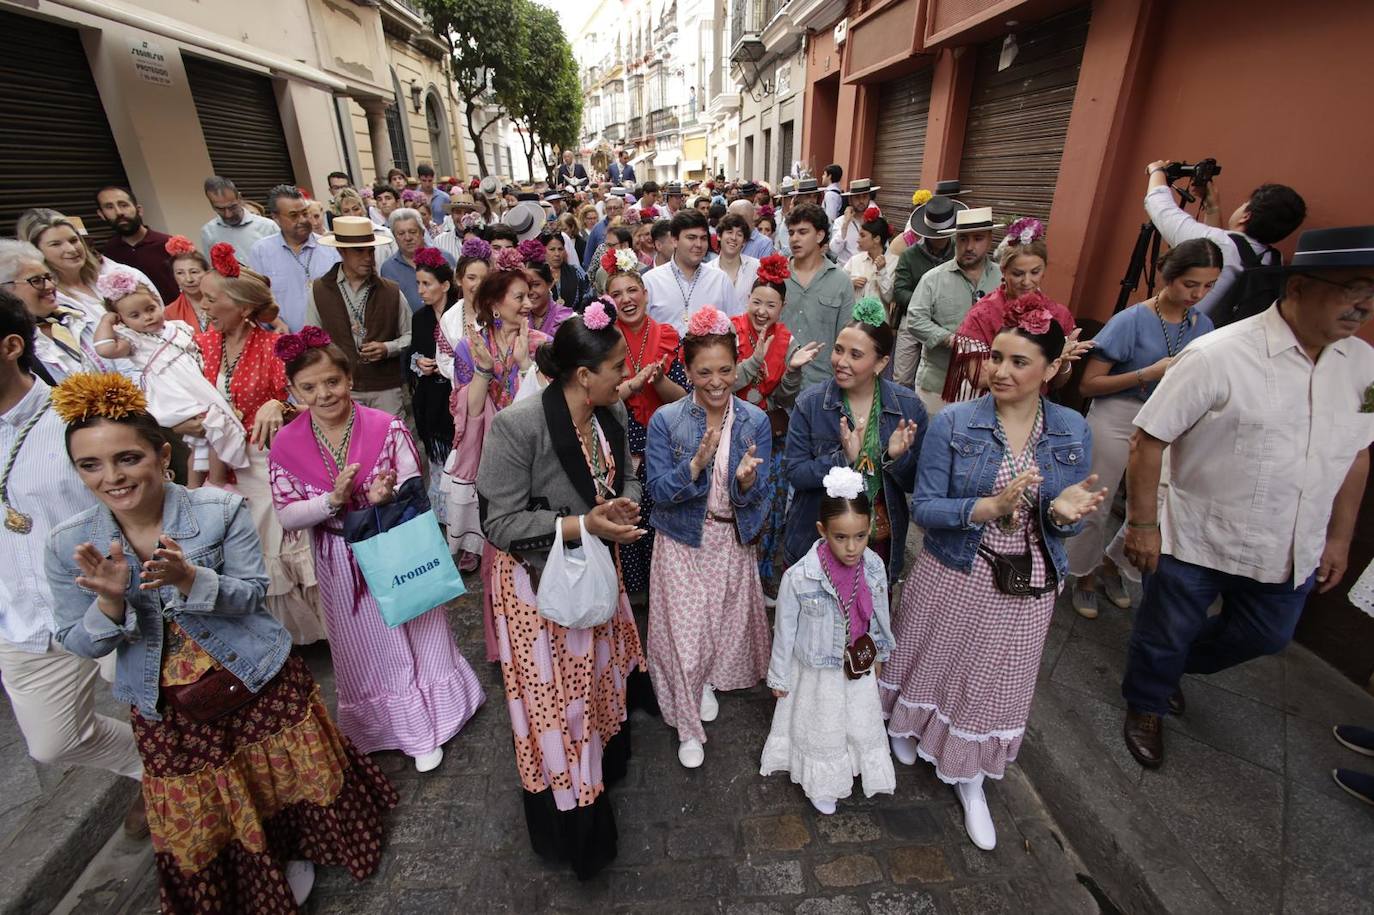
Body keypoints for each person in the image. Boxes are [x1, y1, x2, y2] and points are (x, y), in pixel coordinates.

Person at [46, 372, 396, 911]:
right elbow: (80, 644)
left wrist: (191, 580)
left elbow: (254, 595)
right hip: (168, 706)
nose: (111, 477)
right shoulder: (69, 544)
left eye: (127, 458)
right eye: (90, 465)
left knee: (280, 776)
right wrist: (111, 605)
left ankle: (294, 848)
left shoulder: (218, 510)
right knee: (203, 801)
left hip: (254, 674)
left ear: (162, 455)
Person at [1119, 225, 1374, 770]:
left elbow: (1357, 454)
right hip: (1198, 535)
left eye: (1369, 293)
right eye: (1350, 288)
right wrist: (1143, 525)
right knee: (1166, 630)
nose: (1361, 306)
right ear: (1300, 287)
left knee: (1267, 636)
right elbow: (1149, 438)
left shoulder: (1362, 365)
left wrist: (1339, 537)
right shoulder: (1218, 354)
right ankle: (1146, 701)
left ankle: (1167, 670)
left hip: (1290, 544)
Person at [882, 314, 1104, 851]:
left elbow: (1062, 514)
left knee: (996, 683)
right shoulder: (956, 422)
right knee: (931, 658)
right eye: (995, 357)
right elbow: (928, 507)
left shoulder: (1073, 429)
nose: (999, 371)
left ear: (1052, 368)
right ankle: (906, 727)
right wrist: (990, 506)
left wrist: (1066, 516)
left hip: (1028, 578)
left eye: (1018, 362)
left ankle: (971, 778)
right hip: (958, 564)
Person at [475, 301, 646, 879]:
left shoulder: (609, 415)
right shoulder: (517, 426)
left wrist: (622, 504)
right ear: (582, 376)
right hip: (539, 592)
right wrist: (581, 525)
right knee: (560, 709)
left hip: (595, 576)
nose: (626, 374)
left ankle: (601, 764)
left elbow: (625, 474)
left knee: (596, 684)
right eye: (619, 366)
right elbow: (498, 524)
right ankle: (576, 820)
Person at [269, 331, 485, 770]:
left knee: (418, 627)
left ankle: (431, 724)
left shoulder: (385, 426)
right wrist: (330, 501)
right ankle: (386, 726)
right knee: (367, 645)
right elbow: (287, 514)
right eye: (308, 387)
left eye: (331, 381)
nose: (323, 394)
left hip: (395, 543)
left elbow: (414, 483)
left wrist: (386, 496)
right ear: (293, 390)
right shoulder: (286, 445)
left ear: (349, 378)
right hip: (339, 556)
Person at [0, 296, 145, 836]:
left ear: (12, 346)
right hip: (22, 619)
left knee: (170, 712)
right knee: (52, 740)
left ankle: (185, 781)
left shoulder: (74, 414)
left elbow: (141, 488)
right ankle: (153, 771)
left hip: (107, 600)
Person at [645, 305, 773, 769]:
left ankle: (702, 685)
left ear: (737, 365)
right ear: (687, 368)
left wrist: (744, 484)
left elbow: (762, 495)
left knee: (716, 629)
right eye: (704, 372)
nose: (717, 381)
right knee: (683, 637)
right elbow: (657, 493)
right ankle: (686, 727)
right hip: (681, 541)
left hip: (729, 542)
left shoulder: (756, 421)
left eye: (725, 370)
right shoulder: (666, 420)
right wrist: (695, 465)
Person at [1065, 239, 1221, 619]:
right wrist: (1146, 374)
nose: (1197, 294)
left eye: (1209, 287)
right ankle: (1082, 576)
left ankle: (1114, 564)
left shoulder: (1205, 326)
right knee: (1096, 501)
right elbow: (1089, 386)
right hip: (1118, 413)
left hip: (1171, 420)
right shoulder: (1130, 320)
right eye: (1190, 284)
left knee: (1159, 504)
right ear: (1169, 276)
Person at [195, 252, 326, 645]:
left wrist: (278, 405)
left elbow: (314, 406)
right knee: (247, 547)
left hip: (269, 465)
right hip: (221, 463)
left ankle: (317, 631)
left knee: (282, 542)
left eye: (210, 298)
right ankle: (276, 634)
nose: (203, 306)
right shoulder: (203, 345)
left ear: (243, 305)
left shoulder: (275, 347)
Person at [761, 466, 896, 814]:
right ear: (823, 531)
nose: (852, 548)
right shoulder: (799, 578)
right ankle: (822, 780)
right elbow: (785, 631)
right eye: (841, 537)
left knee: (856, 719)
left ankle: (848, 763)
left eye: (861, 536)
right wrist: (779, 676)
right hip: (817, 669)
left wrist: (879, 652)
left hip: (857, 663)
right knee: (822, 726)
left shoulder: (874, 567)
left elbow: (879, 613)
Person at [784, 303, 923, 583]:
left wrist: (896, 457)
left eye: (855, 355)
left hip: (878, 539)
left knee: (866, 622)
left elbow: (914, 484)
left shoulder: (907, 407)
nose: (841, 361)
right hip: (819, 538)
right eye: (838, 350)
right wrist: (841, 460)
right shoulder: (811, 404)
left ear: (881, 362)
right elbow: (796, 474)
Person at [446, 262, 550, 621]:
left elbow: (550, 406)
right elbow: (470, 409)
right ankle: (508, 631)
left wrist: (525, 366)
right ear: (494, 304)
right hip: (494, 455)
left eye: (530, 295)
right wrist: (484, 369)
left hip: (536, 454)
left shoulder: (540, 344)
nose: (527, 303)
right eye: (519, 296)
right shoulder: (469, 347)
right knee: (502, 538)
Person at [91, 265, 248, 484]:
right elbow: (104, 348)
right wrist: (106, 321)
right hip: (174, 394)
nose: (147, 317)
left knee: (203, 443)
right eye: (135, 315)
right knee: (214, 429)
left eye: (150, 308)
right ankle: (217, 483)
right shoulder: (134, 340)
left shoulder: (178, 327)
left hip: (197, 385)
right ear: (122, 320)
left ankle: (199, 488)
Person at [732, 256, 822, 593]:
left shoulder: (787, 340)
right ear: (748, 301)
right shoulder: (730, 330)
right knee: (732, 501)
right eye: (757, 302)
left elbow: (785, 396)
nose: (762, 311)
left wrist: (794, 369)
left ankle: (763, 573)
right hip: (732, 426)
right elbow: (725, 382)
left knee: (769, 505)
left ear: (782, 307)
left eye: (771, 305)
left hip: (772, 431)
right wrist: (753, 360)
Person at [603, 257, 689, 597]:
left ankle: (661, 589)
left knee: (659, 515)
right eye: (617, 294)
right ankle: (629, 590)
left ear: (645, 293)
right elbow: (599, 399)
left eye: (632, 290)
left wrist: (659, 380)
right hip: (618, 440)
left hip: (661, 440)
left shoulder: (667, 335)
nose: (626, 299)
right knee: (623, 513)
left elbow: (682, 396)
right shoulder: (604, 341)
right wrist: (634, 385)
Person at [942, 219, 1089, 402]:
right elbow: (977, 376)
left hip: (1033, 409)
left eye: (1035, 272)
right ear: (1003, 271)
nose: (1027, 282)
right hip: (987, 407)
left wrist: (1063, 363)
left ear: (1044, 269)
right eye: (1018, 274)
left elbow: (1058, 383)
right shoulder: (982, 314)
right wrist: (1042, 365)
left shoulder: (1059, 315)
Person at [1143, 159, 1306, 321]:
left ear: (1246, 216)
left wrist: (1157, 171)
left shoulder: (1223, 244)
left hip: (1182, 337)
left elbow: (1162, 210)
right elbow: (1218, 256)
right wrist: (1213, 208)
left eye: (1244, 204)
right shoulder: (1274, 259)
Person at [894, 207, 1003, 414]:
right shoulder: (933, 279)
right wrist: (952, 341)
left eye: (977, 239)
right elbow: (915, 320)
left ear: (989, 239)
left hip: (990, 388)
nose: (969, 246)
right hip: (938, 384)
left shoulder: (1004, 280)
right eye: (962, 239)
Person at [18, 212, 149, 380]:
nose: (71, 249)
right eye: (56, 244)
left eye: (73, 240)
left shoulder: (113, 277)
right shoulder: (51, 305)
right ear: (37, 252)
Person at [306, 216, 411, 416]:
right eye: (359, 251)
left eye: (371, 251)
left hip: (385, 387)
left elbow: (411, 334)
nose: (368, 258)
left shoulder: (390, 290)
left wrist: (387, 348)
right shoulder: (320, 289)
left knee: (389, 442)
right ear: (341, 251)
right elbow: (312, 339)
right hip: (341, 387)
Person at [407, 247, 459, 523]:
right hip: (431, 402)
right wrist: (420, 364)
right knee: (438, 464)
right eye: (418, 283)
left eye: (427, 283)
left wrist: (449, 366)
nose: (421, 290)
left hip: (457, 400)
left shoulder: (461, 313)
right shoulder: (420, 318)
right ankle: (445, 521)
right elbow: (415, 354)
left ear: (446, 284)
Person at [248, 185, 342, 332]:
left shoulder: (330, 247)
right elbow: (257, 299)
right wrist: (277, 323)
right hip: (286, 341)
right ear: (275, 217)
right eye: (293, 215)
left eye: (305, 213)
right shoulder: (261, 252)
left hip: (330, 340)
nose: (303, 220)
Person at [782, 204, 854, 387]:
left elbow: (846, 337)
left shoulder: (840, 281)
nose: (794, 239)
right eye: (791, 233)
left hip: (820, 384)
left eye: (802, 232)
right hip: (777, 381)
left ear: (820, 235)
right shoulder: (777, 275)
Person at [643, 210, 737, 333]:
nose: (698, 244)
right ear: (675, 240)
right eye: (691, 238)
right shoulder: (651, 281)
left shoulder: (720, 279)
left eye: (703, 238)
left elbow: (735, 327)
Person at [891, 187, 963, 338]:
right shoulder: (909, 255)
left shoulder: (960, 254)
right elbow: (899, 291)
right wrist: (926, 302)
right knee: (904, 362)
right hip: (912, 320)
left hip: (948, 323)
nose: (940, 239)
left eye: (943, 235)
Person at [96, 186, 179, 305]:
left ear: (139, 210)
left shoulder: (168, 244)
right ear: (101, 214)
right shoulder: (109, 254)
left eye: (123, 205)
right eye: (109, 207)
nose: (119, 212)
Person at [380, 207, 456, 313]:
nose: (408, 238)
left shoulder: (444, 257)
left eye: (412, 231)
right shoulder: (388, 268)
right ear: (394, 236)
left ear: (422, 232)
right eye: (401, 233)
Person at [199, 175, 278, 261]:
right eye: (220, 209)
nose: (227, 214)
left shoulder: (268, 226)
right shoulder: (208, 232)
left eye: (232, 206)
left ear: (239, 198)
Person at [707, 212, 760, 312]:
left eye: (739, 234)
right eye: (729, 232)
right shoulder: (707, 270)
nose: (734, 238)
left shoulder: (756, 267)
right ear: (719, 236)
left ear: (744, 241)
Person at [844, 207, 895, 309]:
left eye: (862, 236)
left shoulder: (893, 262)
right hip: (854, 321)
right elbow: (838, 286)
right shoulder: (855, 260)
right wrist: (851, 284)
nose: (858, 240)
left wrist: (882, 271)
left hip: (879, 322)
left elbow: (889, 298)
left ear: (876, 239)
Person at [522, 244, 575, 337]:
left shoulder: (565, 319)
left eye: (536, 285)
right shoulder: (519, 317)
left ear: (549, 284)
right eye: (525, 285)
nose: (530, 291)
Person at [161, 237, 212, 332]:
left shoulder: (224, 302)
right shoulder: (170, 312)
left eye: (194, 272)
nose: (189, 279)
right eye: (180, 273)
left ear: (207, 272)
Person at [829, 179, 879, 266]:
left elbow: (884, 248)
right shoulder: (840, 221)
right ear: (850, 200)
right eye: (857, 197)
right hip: (846, 272)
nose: (861, 201)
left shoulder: (876, 220)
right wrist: (845, 224)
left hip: (869, 271)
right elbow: (834, 249)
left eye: (864, 197)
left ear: (869, 198)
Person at [546, 229, 592, 312]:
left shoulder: (577, 272)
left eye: (560, 249)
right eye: (552, 249)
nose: (557, 254)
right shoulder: (538, 275)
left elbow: (588, 298)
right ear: (544, 250)